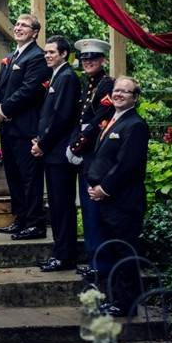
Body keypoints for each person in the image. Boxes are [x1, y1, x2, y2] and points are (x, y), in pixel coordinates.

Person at [86, 76, 149, 317]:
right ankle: (115, 300)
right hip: (106, 201)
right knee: (112, 250)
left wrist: (104, 188)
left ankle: (126, 304)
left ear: (135, 97)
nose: (119, 94)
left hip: (123, 202)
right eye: (117, 90)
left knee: (125, 252)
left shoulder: (135, 125)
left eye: (126, 91)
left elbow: (127, 165)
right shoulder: (113, 119)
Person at [0, 14, 51, 241]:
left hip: (25, 128)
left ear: (35, 32)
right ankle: (20, 218)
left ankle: (35, 223)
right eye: (17, 24)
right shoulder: (10, 57)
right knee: (13, 176)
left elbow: (30, 89)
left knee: (29, 178)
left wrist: (5, 109)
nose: (18, 28)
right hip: (8, 128)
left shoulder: (37, 57)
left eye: (24, 25)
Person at [31, 36, 81, 271]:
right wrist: (39, 139)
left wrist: (43, 144)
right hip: (52, 151)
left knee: (62, 206)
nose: (47, 55)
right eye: (46, 52)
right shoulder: (57, 75)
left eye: (52, 52)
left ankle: (64, 256)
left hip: (60, 154)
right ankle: (59, 252)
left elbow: (61, 117)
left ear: (63, 54)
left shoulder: (67, 77)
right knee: (56, 205)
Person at [66, 39, 115, 278]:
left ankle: (100, 263)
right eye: (85, 59)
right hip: (86, 155)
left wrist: (76, 146)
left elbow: (98, 122)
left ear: (103, 60)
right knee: (87, 211)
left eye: (93, 59)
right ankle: (93, 259)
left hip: (95, 156)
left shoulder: (107, 86)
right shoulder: (89, 85)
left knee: (94, 212)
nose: (88, 62)